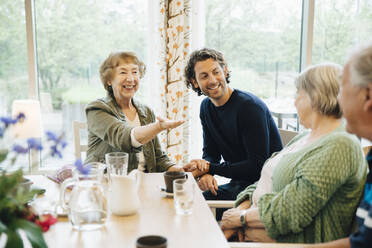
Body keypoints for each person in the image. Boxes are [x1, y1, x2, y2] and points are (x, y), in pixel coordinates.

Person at [220, 63, 368, 244]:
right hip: (251, 235)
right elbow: (265, 180)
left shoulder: (340, 144)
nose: (295, 101)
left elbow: (293, 210)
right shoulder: (305, 136)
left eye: (298, 94)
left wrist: (242, 218)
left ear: (315, 97)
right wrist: (238, 215)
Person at [182, 48, 283, 205]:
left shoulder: (249, 107)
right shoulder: (206, 107)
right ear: (194, 82)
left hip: (264, 189)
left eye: (216, 72)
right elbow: (210, 152)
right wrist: (205, 172)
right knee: (185, 200)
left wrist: (210, 168)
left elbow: (257, 166)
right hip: (239, 185)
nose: (213, 80)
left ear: (225, 71)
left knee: (194, 207)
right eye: (204, 76)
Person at [306, 44, 372, 248]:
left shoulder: (340, 144)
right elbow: (362, 243)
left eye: (342, 87)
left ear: (368, 96)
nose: (338, 99)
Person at [85, 51, 184, 173]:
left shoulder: (146, 112)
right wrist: (158, 127)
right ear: (109, 80)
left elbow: (158, 158)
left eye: (135, 72)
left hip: (142, 184)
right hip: (107, 184)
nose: (130, 78)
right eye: (123, 72)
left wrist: (180, 169)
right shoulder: (97, 109)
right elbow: (123, 137)